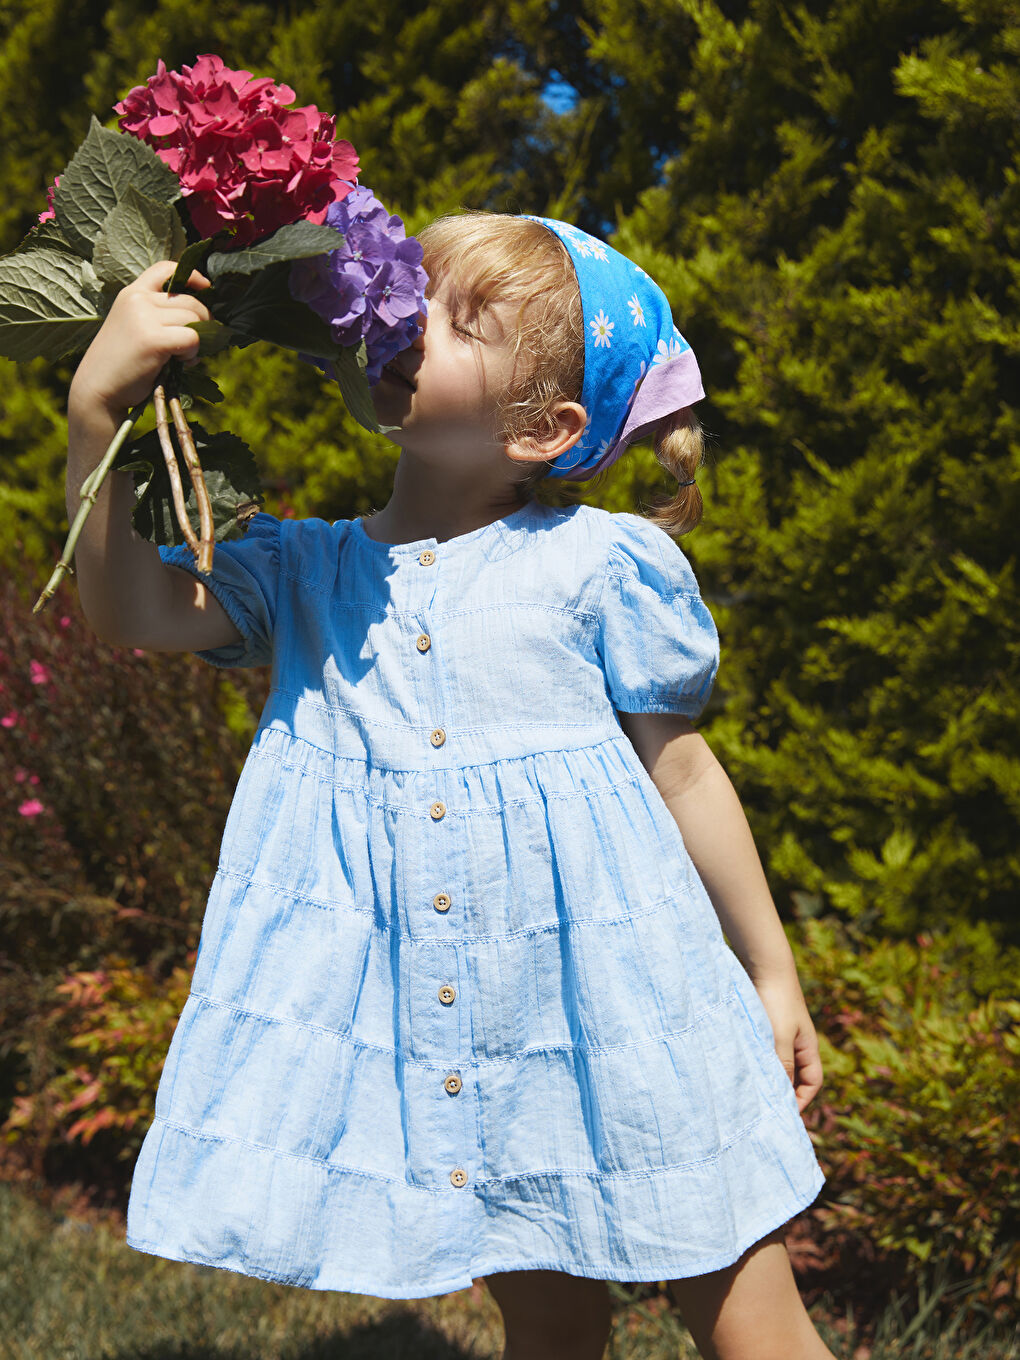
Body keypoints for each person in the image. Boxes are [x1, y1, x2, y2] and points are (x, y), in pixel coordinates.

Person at [65, 210, 837, 1360]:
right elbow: (130, 609)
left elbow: (680, 774)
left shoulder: (593, 566)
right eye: (411, 288)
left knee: (748, 1323)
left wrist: (772, 971)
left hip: (633, 1017)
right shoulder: (309, 572)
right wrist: (98, 417)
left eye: (458, 320)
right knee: (550, 1326)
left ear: (545, 428)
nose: (400, 317)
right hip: (480, 1043)